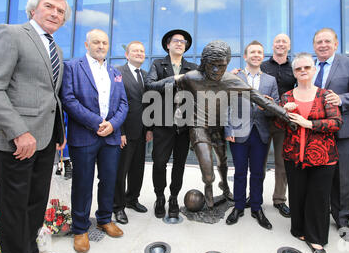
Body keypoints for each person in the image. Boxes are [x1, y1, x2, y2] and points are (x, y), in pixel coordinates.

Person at [0, 0, 70, 253]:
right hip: (19, 141)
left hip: (44, 140)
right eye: (49, 7)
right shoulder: (10, 34)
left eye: (61, 11)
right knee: (14, 207)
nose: (55, 13)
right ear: (32, 11)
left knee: (35, 203)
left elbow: (51, 96)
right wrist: (19, 132)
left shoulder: (56, 49)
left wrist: (59, 133)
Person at [151, 40, 296, 210]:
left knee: (223, 163)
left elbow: (260, 99)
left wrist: (286, 116)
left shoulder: (230, 80)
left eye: (221, 66)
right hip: (198, 128)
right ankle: (208, 190)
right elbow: (156, 87)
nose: (216, 71)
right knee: (208, 172)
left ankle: (225, 188)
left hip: (218, 127)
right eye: (212, 65)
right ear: (204, 63)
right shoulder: (190, 77)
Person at [60, 29, 128, 253]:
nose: (101, 46)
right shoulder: (72, 67)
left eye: (105, 43)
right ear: (87, 44)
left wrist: (113, 124)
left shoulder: (114, 71)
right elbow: (68, 99)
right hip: (85, 136)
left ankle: (104, 219)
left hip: (110, 136)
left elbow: (123, 105)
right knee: (83, 183)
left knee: (108, 180)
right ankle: (80, 228)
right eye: (96, 42)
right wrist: (97, 122)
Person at [276, 52, 343, 253]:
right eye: (298, 69)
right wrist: (282, 112)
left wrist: (309, 124)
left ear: (314, 70)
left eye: (307, 67)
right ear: (294, 73)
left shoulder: (325, 95)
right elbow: (279, 126)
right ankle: (299, 229)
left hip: (323, 157)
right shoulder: (287, 96)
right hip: (293, 154)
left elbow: (337, 123)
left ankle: (316, 239)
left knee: (318, 197)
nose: (303, 71)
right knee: (298, 194)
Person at [312, 28, 349, 240]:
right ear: (314, 46)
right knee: (318, 174)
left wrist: (342, 99)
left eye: (327, 41)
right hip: (316, 131)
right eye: (319, 42)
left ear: (335, 44)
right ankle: (320, 212)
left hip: (344, 131)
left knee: (343, 176)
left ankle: (342, 218)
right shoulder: (310, 66)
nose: (323, 45)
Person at [224, 40, 278, 230]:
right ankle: (238, 207)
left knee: (258, 173)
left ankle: (256, 207)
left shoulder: (270, 80)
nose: (256, 55)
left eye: (259, 52)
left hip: (261, 132)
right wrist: (228, 129)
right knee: (239, 172)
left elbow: (276, 107)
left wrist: (268, 107)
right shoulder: (234, 77)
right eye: (252, 52)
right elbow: (226, 105)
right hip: (238, 132)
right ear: (245, 56)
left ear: (262, 57)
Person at [145, 29, 198, 219]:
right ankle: (160, 196)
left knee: (180, 165)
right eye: (175, 41)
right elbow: (150, 86)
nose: (179, 44)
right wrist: (173, 79)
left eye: (183, 42)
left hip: (184, 127)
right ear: (168, 45)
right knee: (159, 163)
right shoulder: (158, 64)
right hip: (162, 124)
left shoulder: (192, 67)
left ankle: (174, 197)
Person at [113, 41, 153, 224]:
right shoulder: (118, 72)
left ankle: (132, 199)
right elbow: (114, 103)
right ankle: (118, 206)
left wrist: (150, 129)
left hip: (142, 131)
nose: (139, 53)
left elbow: (149, 104)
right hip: (124, 132)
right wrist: (119, 131)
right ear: (127, 55)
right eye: (135, 50)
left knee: (138, 169)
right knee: (121, 171)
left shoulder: (146, 76)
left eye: (142, 51)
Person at [260, 33, 296, 218]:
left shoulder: (294, 67)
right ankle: (255, 197)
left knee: (282, 164)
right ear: (272, 45)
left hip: (284, 122)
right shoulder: (263, 66)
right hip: (263, 120)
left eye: (284, 42)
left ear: (289, 46)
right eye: (277, 42)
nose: (281, 44)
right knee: (260, 162)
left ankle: (279, 200)